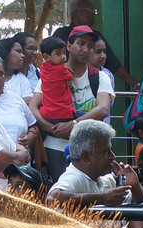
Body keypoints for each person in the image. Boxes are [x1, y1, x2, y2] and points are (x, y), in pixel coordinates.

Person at [30, 25, 111, 183]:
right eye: (81, 43)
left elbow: (102, 109)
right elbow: (32, 107)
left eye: (90, 46)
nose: (86, 49)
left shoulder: (100, 77)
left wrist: (73, 124)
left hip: (89, 150)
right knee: (60, 195)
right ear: (68, 46)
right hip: (55, 145)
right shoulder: (49, 75)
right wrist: (49, 126)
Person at [46, 119, 143, 208]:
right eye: (106, 152)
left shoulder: (106, 180)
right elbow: (52, 199)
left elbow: (142, 207)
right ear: (86, 157)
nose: (112, 157)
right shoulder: (74, 177)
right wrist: (101, 198)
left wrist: (135, 185)